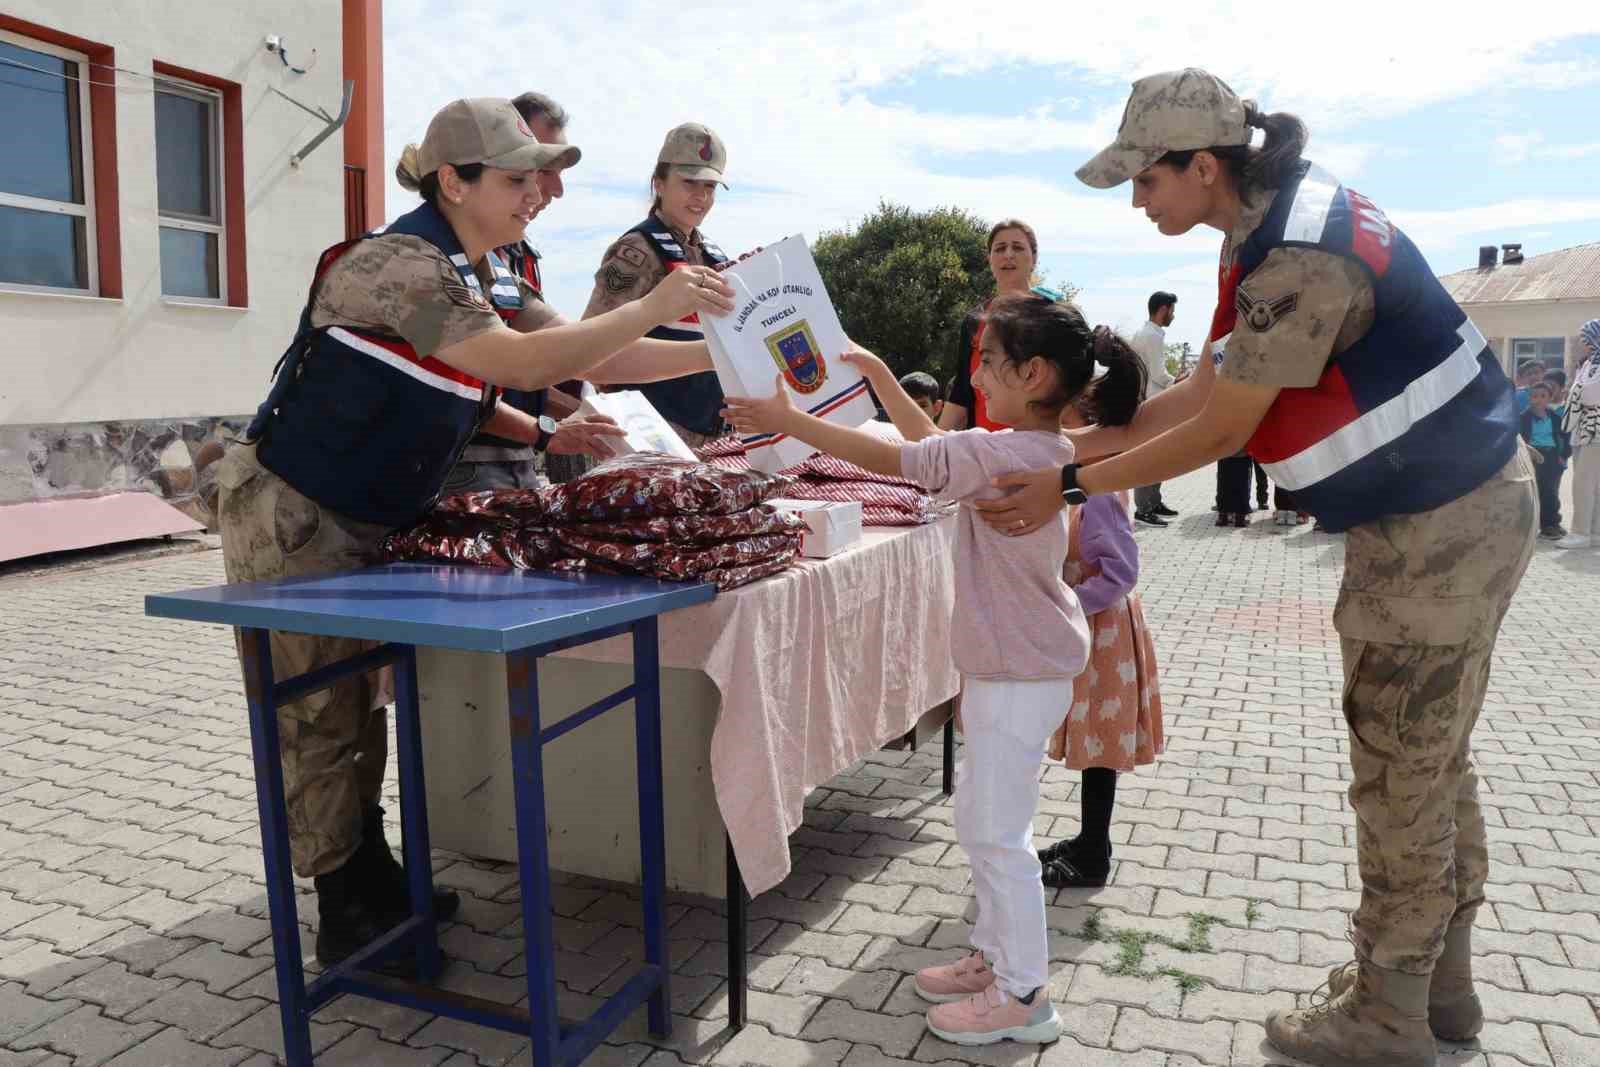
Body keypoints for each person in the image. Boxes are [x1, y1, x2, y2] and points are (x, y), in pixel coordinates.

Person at [973, 69, 1536, 1067]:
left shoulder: (1300, 257)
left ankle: (1387, 1013)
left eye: (1144, 180)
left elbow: (1221, 431)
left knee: (1401, 765)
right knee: (1431, 755)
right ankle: (1432, 987)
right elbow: (1197, 395)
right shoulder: (1262, 230)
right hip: (1438, 510)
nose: (1137, 200)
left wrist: (1063, 491)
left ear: (1203, 165)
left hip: (1440, 527)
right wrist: (1063, 451)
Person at [214, 97, 735, 970]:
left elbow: (587, 356)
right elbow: (529, 364)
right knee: (317, 708)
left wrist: (715, 351)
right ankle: (345, 915)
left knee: (360, 703)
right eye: (517, 176)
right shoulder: (399, 266)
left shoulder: (485, 272)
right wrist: (662, 305)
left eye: (539, 175)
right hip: (297, 512)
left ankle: (374, 875)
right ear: (452, 181)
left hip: (367, 511)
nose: (539, 191)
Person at [725, 295, 1146, 1046]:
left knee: (997, 832)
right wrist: (883, 376)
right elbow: (932, 451)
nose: (976, 370)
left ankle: (1024, 993)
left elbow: (902, 459)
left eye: (988, 359)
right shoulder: (1029, 447)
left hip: (1018, 672)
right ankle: (994, 954)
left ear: (1033, 372)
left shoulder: (1006, 453)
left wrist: (787, 419)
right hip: (1013, 667)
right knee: (981, 819)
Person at [1036, 403, 1164, 889]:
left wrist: (1066, 602)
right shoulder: (1083, 482)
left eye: (1066, 420)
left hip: (1101, 629)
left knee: (1100, 744)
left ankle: (1093, 855)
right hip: (1090, 625)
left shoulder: (1102, 490)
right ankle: (1093, 840)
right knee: (1094, 741)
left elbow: (1121, 573)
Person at [440, 91, 582, 494]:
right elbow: (474, 382)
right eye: (538, 168)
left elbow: (558, 350)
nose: (553, 189)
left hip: (511, 456)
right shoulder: (431, 258)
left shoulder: (510, 255)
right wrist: (552, 428)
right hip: (465, 466)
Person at [583, 123, 733, 449]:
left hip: (710, 436)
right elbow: (590, 349)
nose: (701, 196)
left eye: (710, 186)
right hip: (653, 436)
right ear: (659, 183)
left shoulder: (712, 256)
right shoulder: (638, 251)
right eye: (689, 182)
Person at [940, 219, 1041, 432]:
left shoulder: (1050, 314)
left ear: (1034, 258)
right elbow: (962, 393)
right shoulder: (974, 320)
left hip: (1038, 448)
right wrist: (933, 448)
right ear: (990, 259)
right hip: (986, 449)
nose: (1008, 255)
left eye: (1018, 247)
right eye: (1000, 248)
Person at [1130, 291, 1179, 525]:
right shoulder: (1153, 336)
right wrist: (1178, 381)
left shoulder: (1143, 332)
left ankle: (1153, 502)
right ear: (1163, 309)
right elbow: (1159, 374)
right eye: (1172, 310)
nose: (1173, 315)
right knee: (1151, 457)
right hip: (1154, 403)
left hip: (1144, 401)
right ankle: (1144, 509)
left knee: (1157, 456)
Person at [1558, 320, 1600, 549]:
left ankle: (1581, 533)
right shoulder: (1590, 364)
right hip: (1585, 429)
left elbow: (1591, 396)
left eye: (1585, 338)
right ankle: (1594, 532)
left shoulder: (1596, 365)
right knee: (1593, 485)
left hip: (1594, 430)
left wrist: (1577, 389)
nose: (1582, 343)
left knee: (1584, 483)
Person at [1520, 380, 1569, 538]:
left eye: (1543, 396)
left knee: (1551, 491)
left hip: (1552, 456)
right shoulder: (1524, 418)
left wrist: (1563, 455)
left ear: (1549, 398)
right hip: (1533, 455)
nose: (1538, 399)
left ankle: (1553, 522)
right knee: (1536, 491)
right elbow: (1519, 439)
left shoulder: (1554, 418)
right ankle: (1542, 525)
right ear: (1529, 398)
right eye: (1535, 396)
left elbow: (1566, 437)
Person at [1215, 450, 1252, 526]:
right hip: (1241, 454)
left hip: (1225, 452)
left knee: (1224, 483)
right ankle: (1239, 517)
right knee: (1241, 484)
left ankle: (1223, 516)